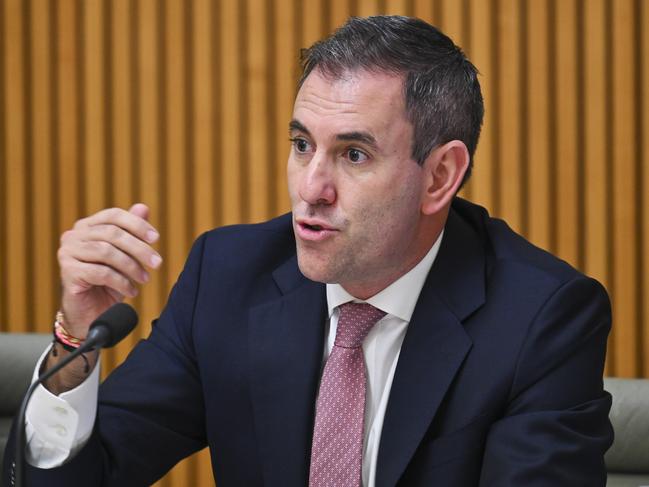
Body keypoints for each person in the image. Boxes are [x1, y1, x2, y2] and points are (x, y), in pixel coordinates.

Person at [4, 15, 612, 487]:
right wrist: (76, 343)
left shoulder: (540, 318)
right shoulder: (229, 277)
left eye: (354, 154)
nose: (310, 188)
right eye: (301, 144)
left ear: (439, 176)